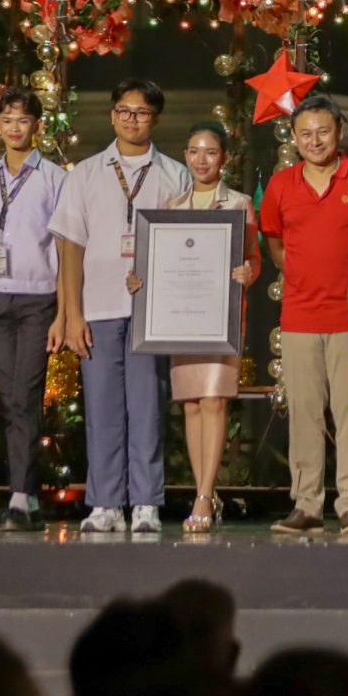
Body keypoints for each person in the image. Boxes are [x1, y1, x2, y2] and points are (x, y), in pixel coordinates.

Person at [50, 78, 187, 535]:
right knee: (103, 406)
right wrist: (70, 314)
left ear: (155, 119)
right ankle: (105, 502)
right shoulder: (85, 173)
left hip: (154, 310)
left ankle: (146, 501)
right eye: (125, 111)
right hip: (98, 307)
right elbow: (70, 248)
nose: (132, 119)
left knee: (148, 405)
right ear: (112, 115)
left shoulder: (174, 173)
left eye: (142, 112)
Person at [130, 125, 259, 534]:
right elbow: (160, 262)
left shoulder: (238, 204)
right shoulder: (171, 205)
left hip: (219, 319)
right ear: (186, 155)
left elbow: (254, 260)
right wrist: (141, 281)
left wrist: (247, 272)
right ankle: (206, 493)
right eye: (195, 152)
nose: (202, 160)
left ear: (224, 158)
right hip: (182, 318)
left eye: (211, 153)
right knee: (190, 403)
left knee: (215, 401)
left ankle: (204, 493)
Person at [258, 92, 348, 535]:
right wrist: (300, 273)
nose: (315, 140)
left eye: (323, 131)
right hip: (300, 315)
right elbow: (274, 239)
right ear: (295, 137)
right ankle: (306, 505)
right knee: (304, 412)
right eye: (305, 133)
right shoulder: (282, 185)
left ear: (339, 132)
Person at [0, 87, 67, 531]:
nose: (15, 127)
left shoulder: (55, 178)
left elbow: (65, 248)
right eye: (7, 120)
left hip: (38, 298)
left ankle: (21, 498)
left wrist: (64, 313)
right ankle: (27, 498)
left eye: (23, 120)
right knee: (10, 400)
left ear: (37, 125)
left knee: (25, 394)